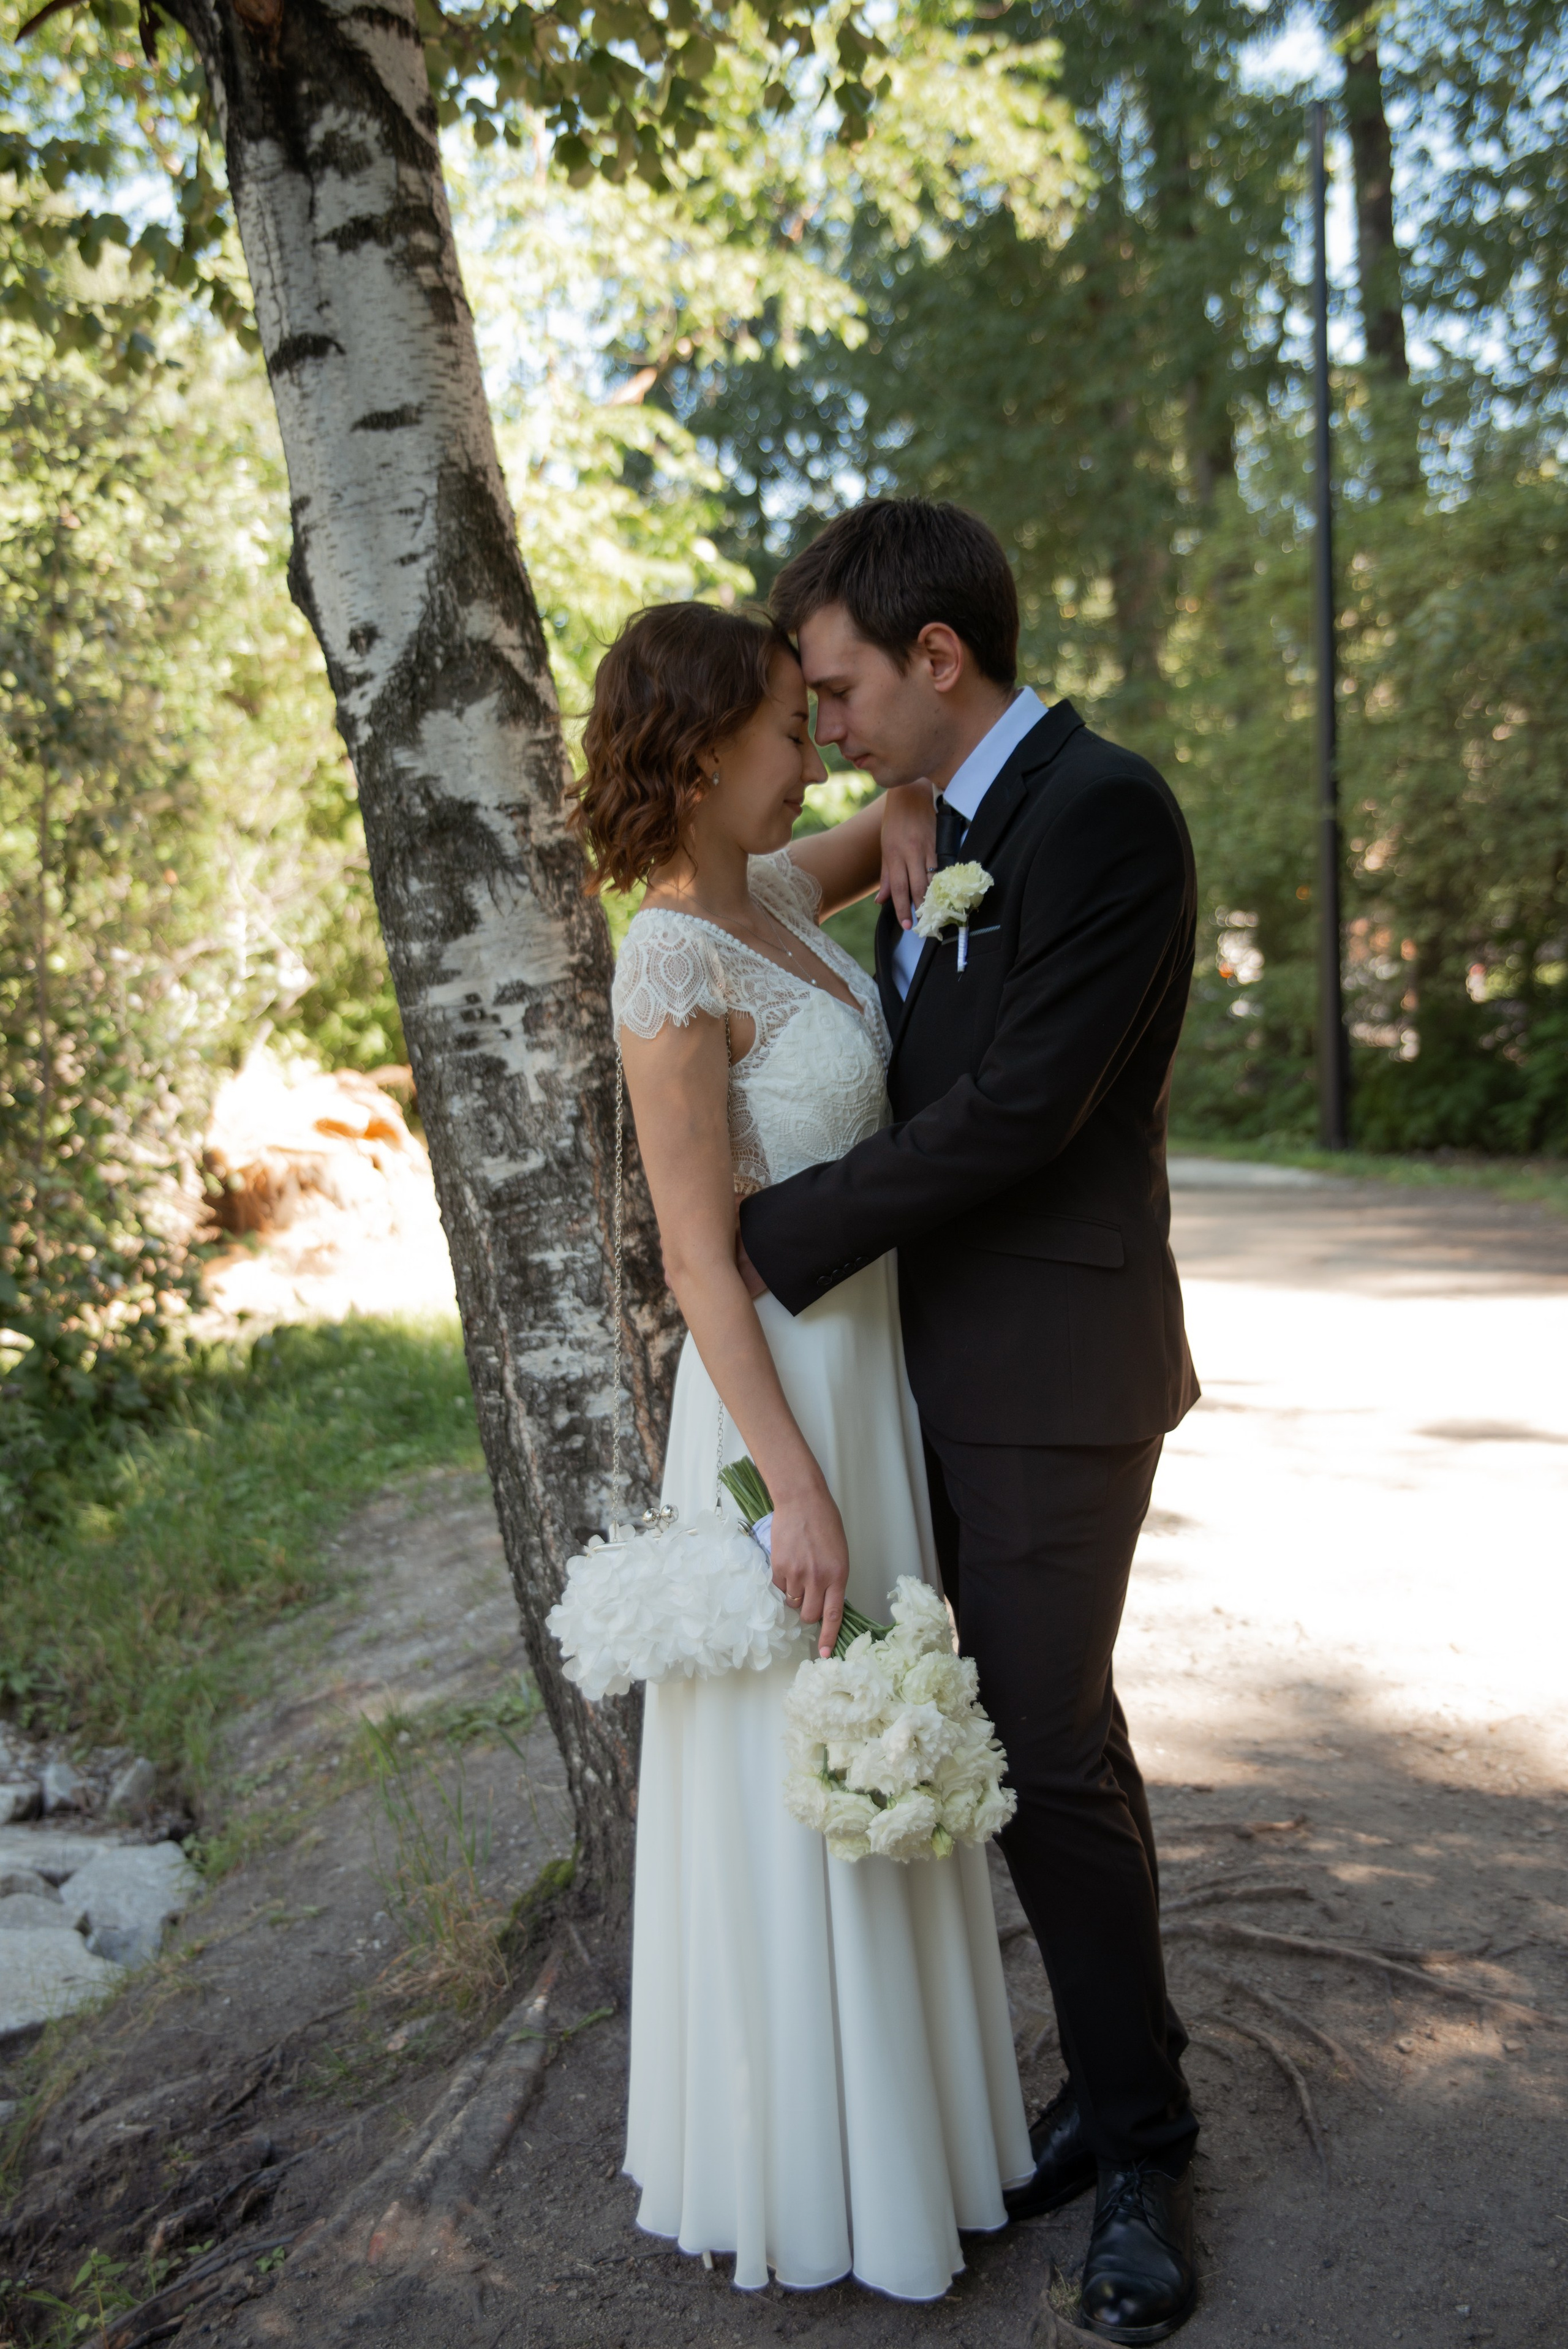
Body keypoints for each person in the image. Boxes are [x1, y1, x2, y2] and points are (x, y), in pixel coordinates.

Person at [737, 499, 1204, 2343]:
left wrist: (772, 1241)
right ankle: (1120, 2078)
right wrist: (887, 827)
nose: (828, 724)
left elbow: (1019, 1109)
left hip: (1054, 1377)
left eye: (842, 690)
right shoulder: (942, 813)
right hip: (929, 1368)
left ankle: (1147, 2152)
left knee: (1040, 1741)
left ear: (939, 662)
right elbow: (727, 891)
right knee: (1057, 1737)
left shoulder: (1102, 815)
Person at [573, 600, 1033, 2302]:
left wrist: (908, 805)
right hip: (779, 1408)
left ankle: (922, 2137)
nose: (814, 747)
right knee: (809, 1757)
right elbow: (699, 1260)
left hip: (874, 1377)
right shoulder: (666, 960)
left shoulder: (772, 893)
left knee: (890, 1723)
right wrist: (797, 1491)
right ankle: (816, 2177)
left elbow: (899, 801)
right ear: (699, 755)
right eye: (785, 725)